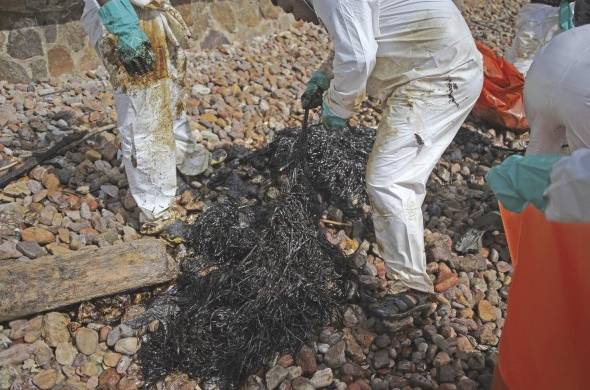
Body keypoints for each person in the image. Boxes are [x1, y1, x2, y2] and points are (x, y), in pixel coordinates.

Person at [272, 0, 483, 317]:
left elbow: (358, 57)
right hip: (434, 66)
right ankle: (401, 240)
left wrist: (336, 109)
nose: (297, 19)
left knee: (390, 181)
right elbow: (361, 32)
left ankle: (413, 288)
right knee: (390, 175)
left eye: (288, 8)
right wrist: (326, 75)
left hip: (441, 79)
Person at [81, 0, 210, 234]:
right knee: (144, 110)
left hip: (150, 9)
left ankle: (184, 158)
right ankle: (156, 207)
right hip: (121, 14)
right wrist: (123, 26)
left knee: (170, 92)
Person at [524, 0, 590, 155]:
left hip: (538, 81)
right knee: (583, 167)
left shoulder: (579, 31)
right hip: (579, 99)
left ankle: (525, 174)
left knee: (538, 155)